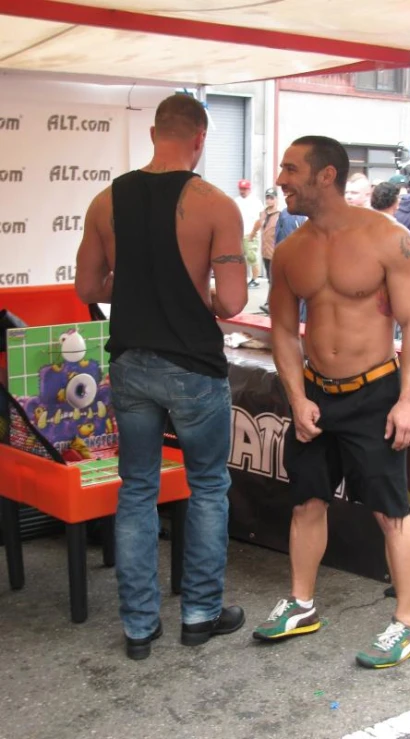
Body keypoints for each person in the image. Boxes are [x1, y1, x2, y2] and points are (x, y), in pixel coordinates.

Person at [75, 93, 247, 660]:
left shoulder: (105, 200)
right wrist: (196, 288)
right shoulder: (216, 204)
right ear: (199, 139)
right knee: (208, 488)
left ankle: (139, 627)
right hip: (193, 367)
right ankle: (199, 614)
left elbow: (88, 289)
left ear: (154, 133)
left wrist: (131, 289)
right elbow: (233, 303)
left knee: (137, 491)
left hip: (129, 363)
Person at [253, 135, 410, 670]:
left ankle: (408, 623)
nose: (281, 178)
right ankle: (302, 603)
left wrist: (409, 401)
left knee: (389, 511)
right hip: (317, 396)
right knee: (307, 500)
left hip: (374, 395)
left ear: (325, 175)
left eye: (291, 168)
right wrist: (297, 396)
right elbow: (282, 330)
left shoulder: (388, 239)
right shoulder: (290, 249)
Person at [234, 179, 264, 287]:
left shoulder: (255, 201)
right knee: (240, 258)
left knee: (252, 257)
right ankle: (241, 278)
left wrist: (253, 233)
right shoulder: (236, 201)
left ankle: (255, 279)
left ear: (249, 189)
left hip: (251, 234)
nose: (242, 191)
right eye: (241, 189)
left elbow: (261, 218)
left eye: (244, 189)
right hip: (239, 234)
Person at [250, 187, 281, 285]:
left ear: (276, 199)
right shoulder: (263, 213)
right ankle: (271, 299)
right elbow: (258, 224)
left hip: (275, 252)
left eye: (271, 198)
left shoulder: (280, 215)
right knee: (269, 277)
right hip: (265, 252)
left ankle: (273, 299)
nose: (269, 200)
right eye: (267, 198)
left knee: (274, 279)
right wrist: (252, 234)